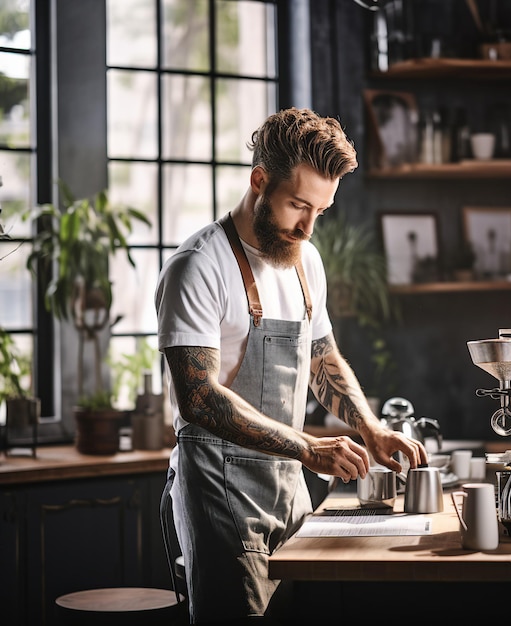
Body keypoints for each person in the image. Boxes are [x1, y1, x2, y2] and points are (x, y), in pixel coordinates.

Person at [155, 107, 428, 625]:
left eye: (319, 212)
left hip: (290, 489)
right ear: (260, 181)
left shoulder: (305, 261)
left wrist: (370, 429)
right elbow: (199, 398)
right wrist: (307, 446)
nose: (306, 227)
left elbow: (322, 356)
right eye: (297, 205)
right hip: (219, 489)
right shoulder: (198, 266)